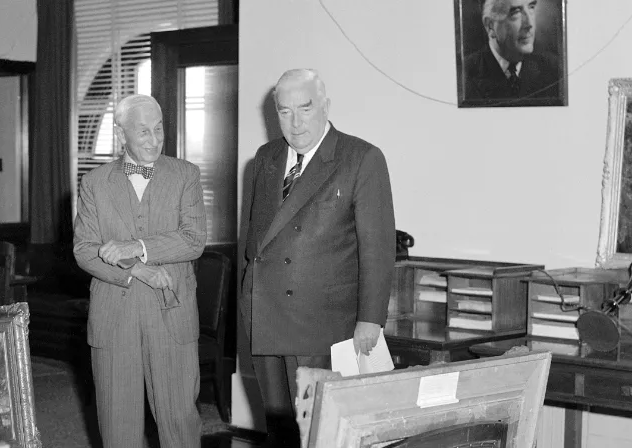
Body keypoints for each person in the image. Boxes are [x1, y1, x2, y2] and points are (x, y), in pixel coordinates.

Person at [240, 69, 396, 444]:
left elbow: (377, 247)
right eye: (285, 111)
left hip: (322, 325)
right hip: (265, 316)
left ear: (325, 106)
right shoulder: (265, 158)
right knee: (279, 430)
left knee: (322, 433)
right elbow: (253, 243)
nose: (295, 123)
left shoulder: (360, 158)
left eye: (305, 109)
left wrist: (370, 320)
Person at [72, 94, 207, 448]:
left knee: (180, 423)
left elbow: (193, 240)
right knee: (118, 428)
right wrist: (140, 271)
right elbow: (85, 250)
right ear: (121, 134)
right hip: (114, 316)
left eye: (159, 129)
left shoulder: (185, 175)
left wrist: (137, 248)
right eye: (143, 131)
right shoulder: (95, 183)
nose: (154, 139)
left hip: (171, 314)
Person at [463, 0, 561, 103]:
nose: (529, 24)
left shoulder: (554, 69)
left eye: (531, 7)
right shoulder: (465, 75)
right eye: (515, 12)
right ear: (490, 26)